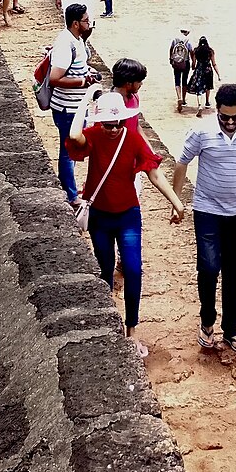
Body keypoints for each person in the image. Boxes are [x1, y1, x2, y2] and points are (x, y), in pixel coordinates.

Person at [64, 87, 185, 358]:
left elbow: (154, 174)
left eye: (117, 123)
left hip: (128, 214)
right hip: (100, 217)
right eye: (107, 124)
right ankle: (109, 324)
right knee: (105, 270)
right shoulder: (93, 135)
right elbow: (73, 137)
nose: (113, 129)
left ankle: (131, 330)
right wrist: (86, 100)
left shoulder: (131, 139)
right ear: (99, 121)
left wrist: (176, 202)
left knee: (132, 269)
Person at [171, 83, 236, 354]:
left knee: (234, 274)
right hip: (207, 211)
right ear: (216, 110)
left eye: (235, 117)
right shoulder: (201, 131)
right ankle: (207, 323)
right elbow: (182, 163)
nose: (230, 122)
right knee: (207, 267)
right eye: (225, 117)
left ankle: (231, 330)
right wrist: (176, 201)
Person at [47, 3, 94, 202]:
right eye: (86, 20)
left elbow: (78, 66)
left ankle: (68, 187)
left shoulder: (77, 39)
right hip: (67, 108)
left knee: (72, 151)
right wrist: (83, 81)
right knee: (68, 151)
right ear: (76, 23)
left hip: (76, 106)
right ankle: (70, 195)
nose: (89, 23)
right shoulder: (66, 44)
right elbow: (55, 78)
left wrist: (88, 74)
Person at [189, 35, 220, 115]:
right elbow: (214, 64)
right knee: (208, 86)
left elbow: (193, 64)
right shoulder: (210, 51)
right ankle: (207, 102)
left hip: (199, 70)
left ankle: (199, 105)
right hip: (208, 70)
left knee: (199, 89)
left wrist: (193, 67)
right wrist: (218, 74)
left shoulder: (196, 50)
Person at [169, 27, 193, 111]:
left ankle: (179, 97)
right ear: (186, 32)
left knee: (177, 81)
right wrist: (193, 63)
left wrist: (171, 59)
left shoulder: (175, 39)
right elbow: (191, 52)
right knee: (184, 81)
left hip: (176, 62)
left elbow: (171, 49)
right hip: (185, 63)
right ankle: (183, 100)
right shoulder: (188, 41)